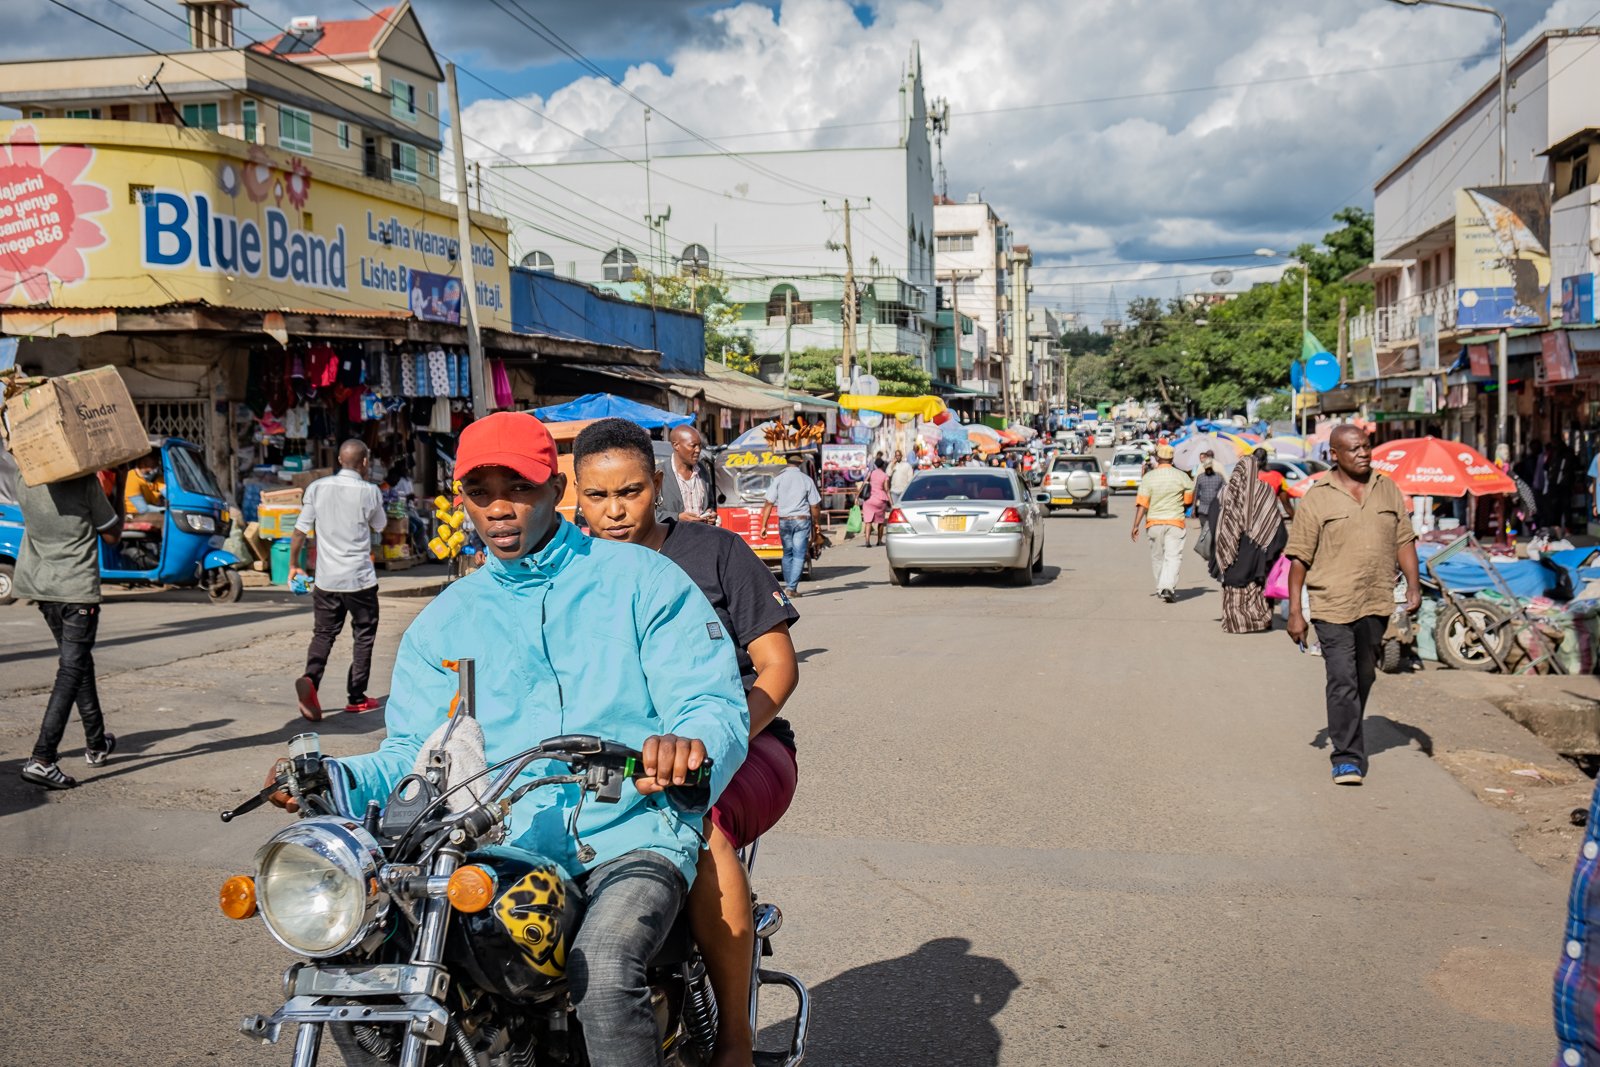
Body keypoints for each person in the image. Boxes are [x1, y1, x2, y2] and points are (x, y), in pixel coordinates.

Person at [290, 411, 749, 1067]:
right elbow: (412, 753)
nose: (500, 508)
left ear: (554, 489)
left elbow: (709, 700)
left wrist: (687, 744)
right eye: (482, 492)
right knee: (360, 962)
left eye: (520, 488)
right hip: (493, 846)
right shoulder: (444, 621)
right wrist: (327, 775)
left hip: (630, 830)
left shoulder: (642, 582)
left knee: (606, 964)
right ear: (462, 499)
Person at [572, 418, 799, 1067]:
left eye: (631, 490)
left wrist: (717, 740)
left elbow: (779, 668)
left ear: (659, 483)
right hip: (617, 755)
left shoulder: (716, 554)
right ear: (576, 496)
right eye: (599, 495)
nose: (616, 509)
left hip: (748, 746)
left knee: (700, 822)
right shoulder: (567, 574)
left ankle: (735, 1039)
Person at [1285, 425, 1421, 786]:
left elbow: (1404, 540)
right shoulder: (1318, 497)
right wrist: (1296, 612)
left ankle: (1347, 724)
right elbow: (1298, 558)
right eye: (1354, 448)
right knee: (1342, 678)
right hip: (1332, 603)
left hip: (1375, 600)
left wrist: (1413, 585)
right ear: (1335, 454)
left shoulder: (1386, 487)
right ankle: (1346, 757)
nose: (1364, 453)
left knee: (1364, 675)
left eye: (1366, 446)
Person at [14, 471, 122, 788]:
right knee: (72, 668)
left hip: (41, 586)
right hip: (75, 589)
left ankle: (97, 743)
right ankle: (42, 758)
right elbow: (113, 534)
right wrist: (123, 481)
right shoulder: (85, 483)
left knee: (78, 663)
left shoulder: (26, 479)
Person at [289, 439, 387, 721]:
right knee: (363, 636)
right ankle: (356, 697)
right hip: (359, 579)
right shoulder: (369, 492)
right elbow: (379, 525)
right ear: (365, 462)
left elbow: (299, 532)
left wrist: (294, 565)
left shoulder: (317, 487)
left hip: (327, 580)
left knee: (323, 635)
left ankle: (311, 679)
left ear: (340, 460)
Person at [1211, 453, 1286, 634]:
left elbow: (1214, 519)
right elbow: (1275, 522)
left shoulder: (1225, 493)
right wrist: (1275, 547)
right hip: (1258, 551)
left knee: (1234, 587)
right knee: (1256, 585)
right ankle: (1258, 621)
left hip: (1231, 551)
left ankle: (1235, 622)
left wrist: (1224, 541)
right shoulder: (1265, 491)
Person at [1130, 443, 1193, 602]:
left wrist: (1135, 525)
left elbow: (1143, 504)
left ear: (1158, 458)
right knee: (1173, 556)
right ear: (1172, 459)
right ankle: (1167, 586)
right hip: (1175, 522)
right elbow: (1188, 501)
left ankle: (1161, 587)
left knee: (1157, 557)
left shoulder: (1148, 477)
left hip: (1154, 523)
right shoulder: (1183, 477)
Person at [756, 453, 821, 598]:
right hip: (801, 520)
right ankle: (791, 588)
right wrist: (817, 523)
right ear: (801, 462)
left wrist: (763, 525)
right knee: (798, 554)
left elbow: (768, 503)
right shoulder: (806, 480)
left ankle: (789, 586)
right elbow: (815, 505)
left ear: (786, 462)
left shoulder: (779, 479)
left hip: (784, 520)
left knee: (787, 553)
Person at [658, 424, 718, 525]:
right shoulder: (658, 474)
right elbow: (647, 513)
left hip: (701, 536)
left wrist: (710, 513)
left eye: (699, 445)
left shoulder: (702, 471)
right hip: (673, 538)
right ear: (676, 445)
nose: (698, 450)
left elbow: (711, 504)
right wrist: (677, 518)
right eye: (693, 446)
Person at [1191, 450, 1227, 563]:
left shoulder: (1201, 474)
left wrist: (1193, 508)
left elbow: (1195, 491)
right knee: (1214, 529)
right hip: (1215, 508)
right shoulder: (1219, 475)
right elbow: (1226, 487)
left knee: (1205, 530)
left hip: (1203, 508)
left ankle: (1207, 550)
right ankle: (1212, 550)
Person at [860, 456, 892, 548]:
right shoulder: (885, 475)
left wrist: (857, 496)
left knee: (868, 522)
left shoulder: (871, 473)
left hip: (869, 500)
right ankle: (879, 541)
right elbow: (887, 490)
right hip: (880, 500)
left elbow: (864, 484)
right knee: (881, 522)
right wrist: (892, 503)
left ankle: (867, 541)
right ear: (883, 466)